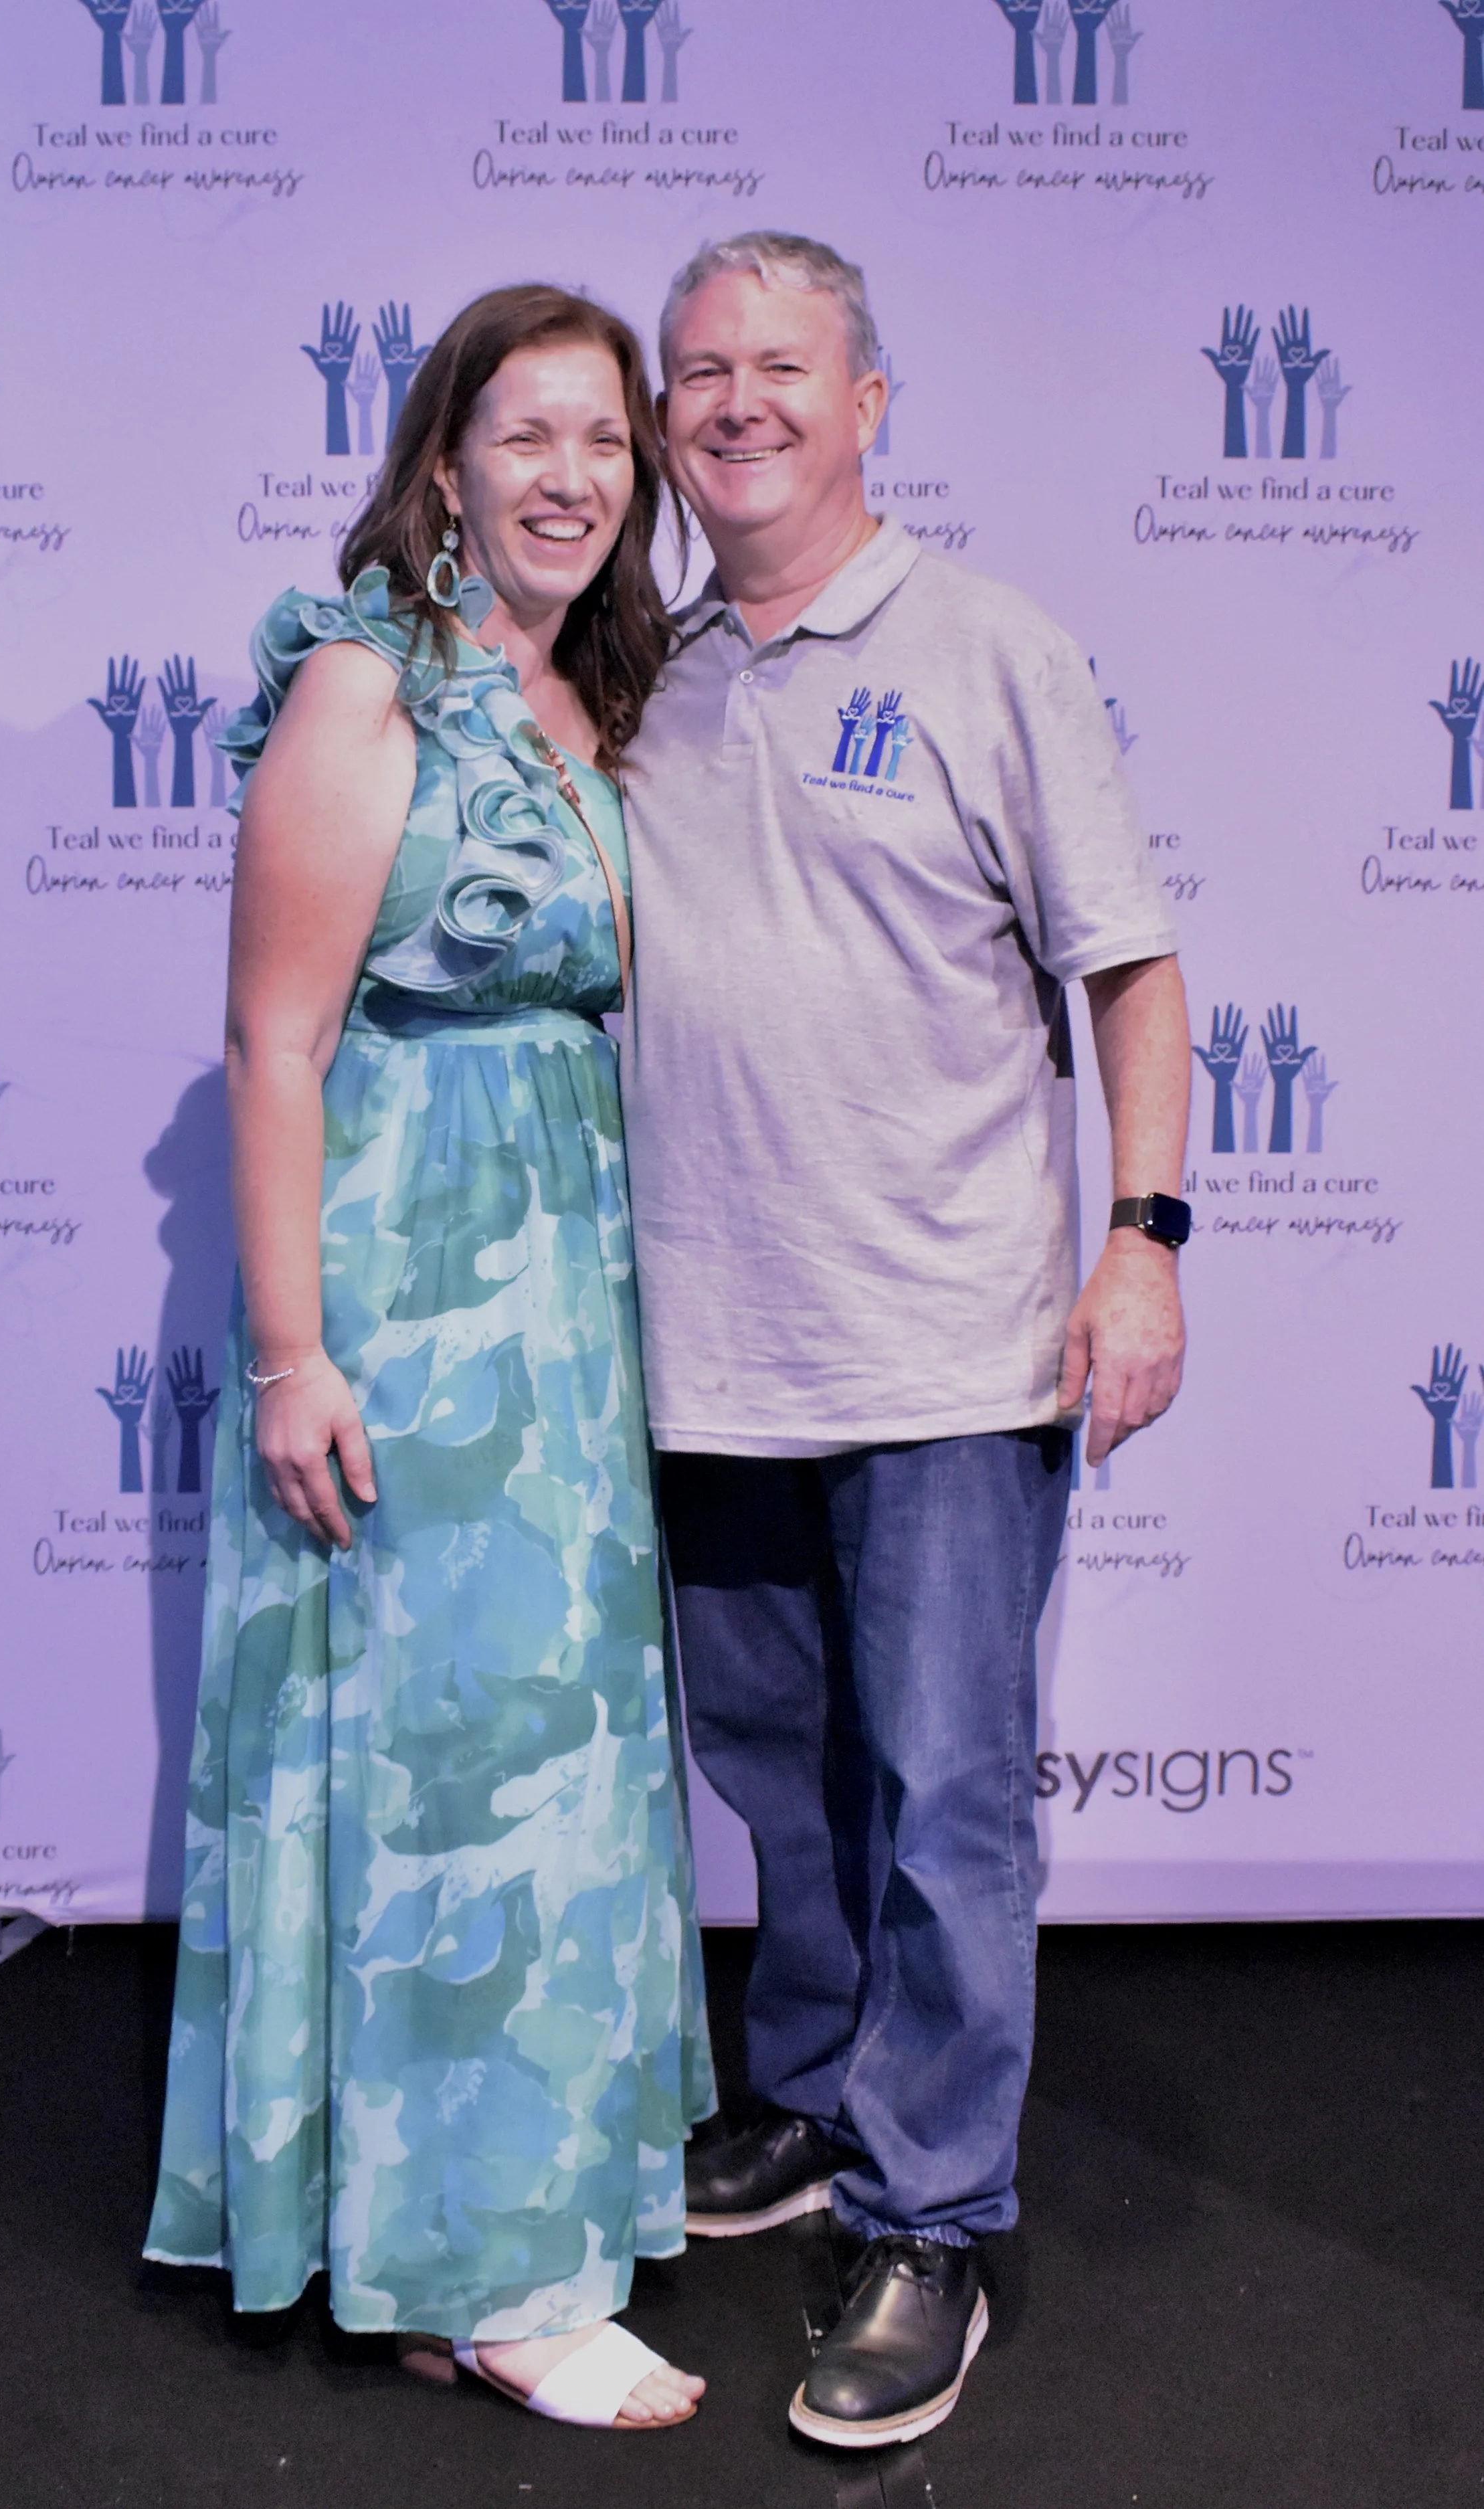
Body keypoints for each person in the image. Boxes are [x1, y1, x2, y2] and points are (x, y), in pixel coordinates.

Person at [620, 233, 1192, 2450]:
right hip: (711, 1355)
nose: (730, 403)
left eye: (779, 366)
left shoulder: (987, 648)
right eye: (695, 374)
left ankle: (933, 2208)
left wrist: (1141, 1238)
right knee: (777, 1777)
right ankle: (811, 2100)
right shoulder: (641, 674)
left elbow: (1128, 974)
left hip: (946, 1352)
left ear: (871, 400)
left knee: (946, 1794)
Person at [143, 284, 713, 2433]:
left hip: (568, 1285)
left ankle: (453, 2225)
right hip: (410, 1290)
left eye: (608, 439)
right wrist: (292, 1353)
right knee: (461, 1778)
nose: (573, 472)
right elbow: (271, 1039)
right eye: (529, 432)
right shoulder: (368, 683)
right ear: (447, 461)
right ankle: (486, 2273)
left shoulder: (583, 696)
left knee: (534, 1748)